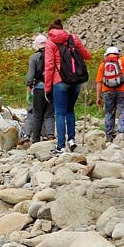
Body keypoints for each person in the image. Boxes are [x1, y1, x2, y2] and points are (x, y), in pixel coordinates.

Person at [44, 18, 92, 155]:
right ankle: (71, 140)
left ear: (50, 31)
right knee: (70, 110)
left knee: (59, 113)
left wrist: (47, 88)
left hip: (60, 81)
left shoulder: (50, 43)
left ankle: (60, 146)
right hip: (76, 80)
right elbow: (87, 56)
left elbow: (49, 66)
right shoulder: (73, 38)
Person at [22, 35, 55, 145]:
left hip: (38, 88)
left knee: (37, 114)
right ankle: (50, 136)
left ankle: (35, 139)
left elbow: (30, 77)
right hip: (53, 87)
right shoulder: (54, 55)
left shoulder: (34, 57)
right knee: (49, 114)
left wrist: (28, 91)